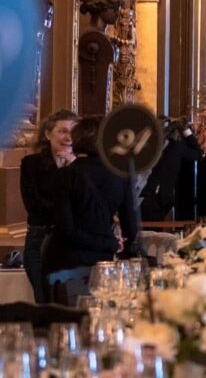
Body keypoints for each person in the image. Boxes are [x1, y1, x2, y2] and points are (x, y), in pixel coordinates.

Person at [44, 117, 141, 279]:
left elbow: (66, 228)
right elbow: (130, 225)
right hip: (103, 260)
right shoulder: (121, 174)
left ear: (77, 140)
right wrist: (113, 243)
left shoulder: (65, 174)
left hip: (65, 261)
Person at [19, 109, 76, 302]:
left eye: (73, 131)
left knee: (70, 302)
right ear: (48, 134)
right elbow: (33, 205)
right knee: (44, 302)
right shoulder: (31, 164)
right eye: (62, 131)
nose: (68, 137)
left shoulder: (84, 166)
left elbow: (89, 203)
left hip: (73, 242)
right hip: (40, 239)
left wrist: (73, 167)